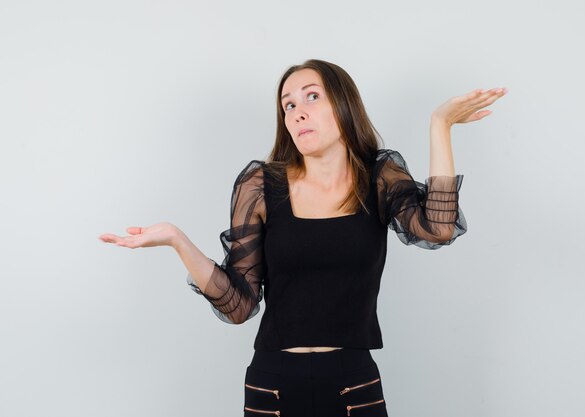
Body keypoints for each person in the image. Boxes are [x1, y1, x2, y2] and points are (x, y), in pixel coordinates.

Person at [99, 59, 507, 417]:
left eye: (311, 97)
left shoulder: (379, 177)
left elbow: (437, 227)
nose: (297, 112)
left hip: (353, 384)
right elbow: (239, 305)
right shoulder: (260, 184)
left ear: (343, 106)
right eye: (288, 104)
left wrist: (441, 125)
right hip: (272, 386)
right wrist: (176, 239)